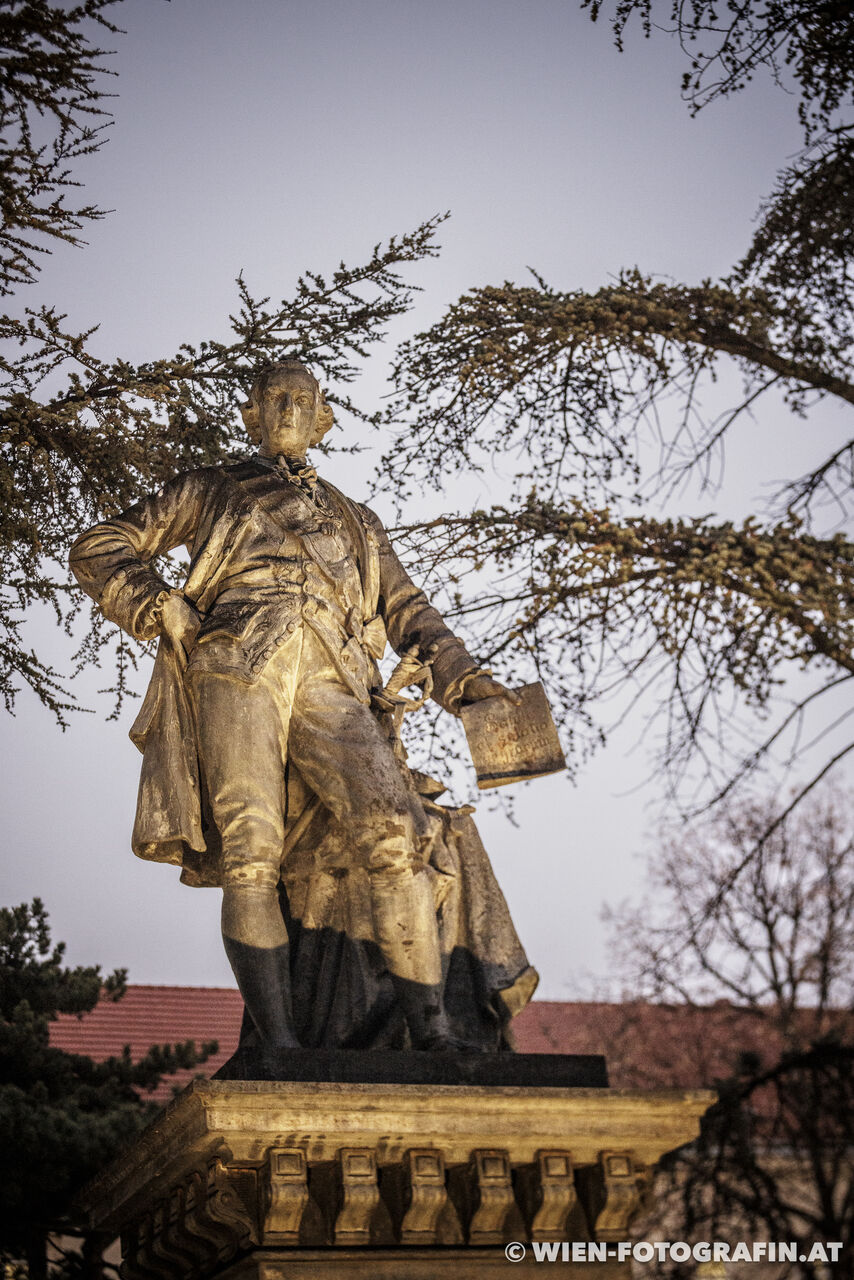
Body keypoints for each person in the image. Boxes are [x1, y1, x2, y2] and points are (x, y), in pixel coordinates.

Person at [69, 361, 525, 1052]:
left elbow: (410, 612)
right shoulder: (210, 487)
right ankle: (279, 1049)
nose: (287, 408)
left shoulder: (357, 520)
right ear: (251, 414)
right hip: (236, 665)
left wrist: (466, 683)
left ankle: (432, 1035)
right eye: (272, 398)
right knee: (250, 854)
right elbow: (101, 546)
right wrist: (158, 603)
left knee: (396, 833)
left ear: (321, 417)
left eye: (301, 399)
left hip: (333, 680)